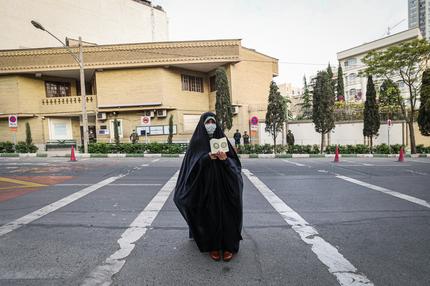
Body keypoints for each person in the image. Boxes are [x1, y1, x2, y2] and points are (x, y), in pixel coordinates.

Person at [174, 112, 243, 262]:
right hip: (205, 187)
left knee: (227, 214)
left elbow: (236, 165)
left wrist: (225, 160)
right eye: (207, 122)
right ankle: (213, 245)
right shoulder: (197, 142)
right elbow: (190, 166)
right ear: (202, 124)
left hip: (224, 186)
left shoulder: (223, 139)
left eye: (213, 122)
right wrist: (206, 158)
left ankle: (229, 246)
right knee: (209, 215)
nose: (210, 125)